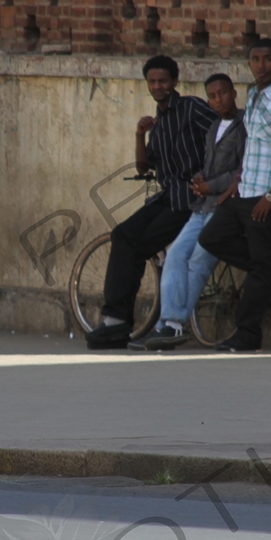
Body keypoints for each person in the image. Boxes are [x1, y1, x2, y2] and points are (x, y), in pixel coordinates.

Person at [86, 54, 215, 350]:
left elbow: (224, 130)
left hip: (190, 199)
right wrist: (139, 135)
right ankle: (115, 321)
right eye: (153, 82)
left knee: (138, 247)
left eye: (163, 81)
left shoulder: (192, 107)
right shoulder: (157, 124)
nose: (158, 86)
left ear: (175, 82)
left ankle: (122, 323)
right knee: (122, 235)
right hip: (167, 196)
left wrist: (213, 175)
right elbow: (144, 168)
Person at [197, 38, 271, 352]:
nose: (261, 65)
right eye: (255, 59)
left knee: (260, 265)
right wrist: (236, 182)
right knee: (211, 239)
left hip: (270, 196)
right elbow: (253, 145)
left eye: (267, 59)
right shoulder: (254, 93)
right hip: (244, 190)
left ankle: (247, 334)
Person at [133, 73, 244, 350]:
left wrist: (211, 185)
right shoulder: (213, 127)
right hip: (202, 206)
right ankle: (166, 325)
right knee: (174, 256)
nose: (219, 100)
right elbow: (207, 165)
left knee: (198, 263)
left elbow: (242, 171)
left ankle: (172, 325)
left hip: (226, 207)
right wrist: (198, 180)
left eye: (223, 94)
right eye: (213, 96)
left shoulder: (246, 127)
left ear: (234, 94)